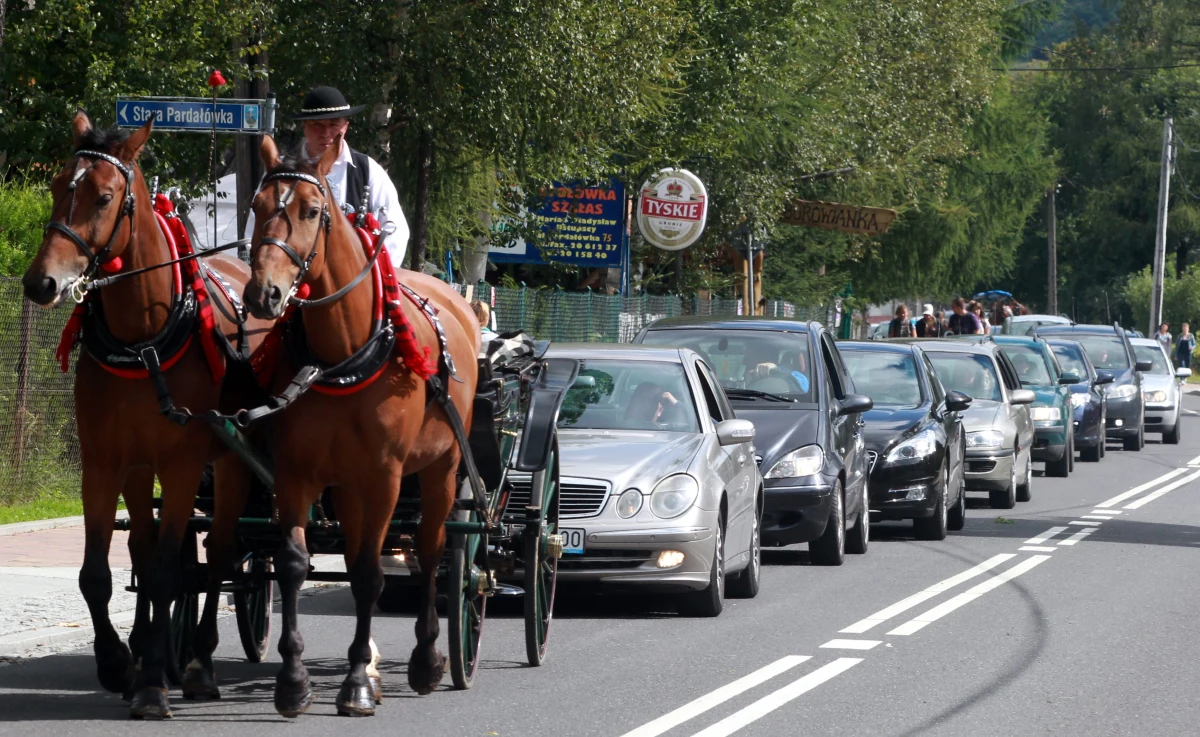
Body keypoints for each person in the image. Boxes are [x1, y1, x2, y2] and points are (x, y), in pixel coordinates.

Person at [246, 86, 411, 269]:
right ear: (304, 127)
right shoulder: (281, 171)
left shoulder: (368, 170)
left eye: (333, 125)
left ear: (345, 127)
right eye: (317, 125)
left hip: (355, 284)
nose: (325, 133)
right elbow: (257, 222)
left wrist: (371, 275)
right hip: (292, 280)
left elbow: (395, 231)